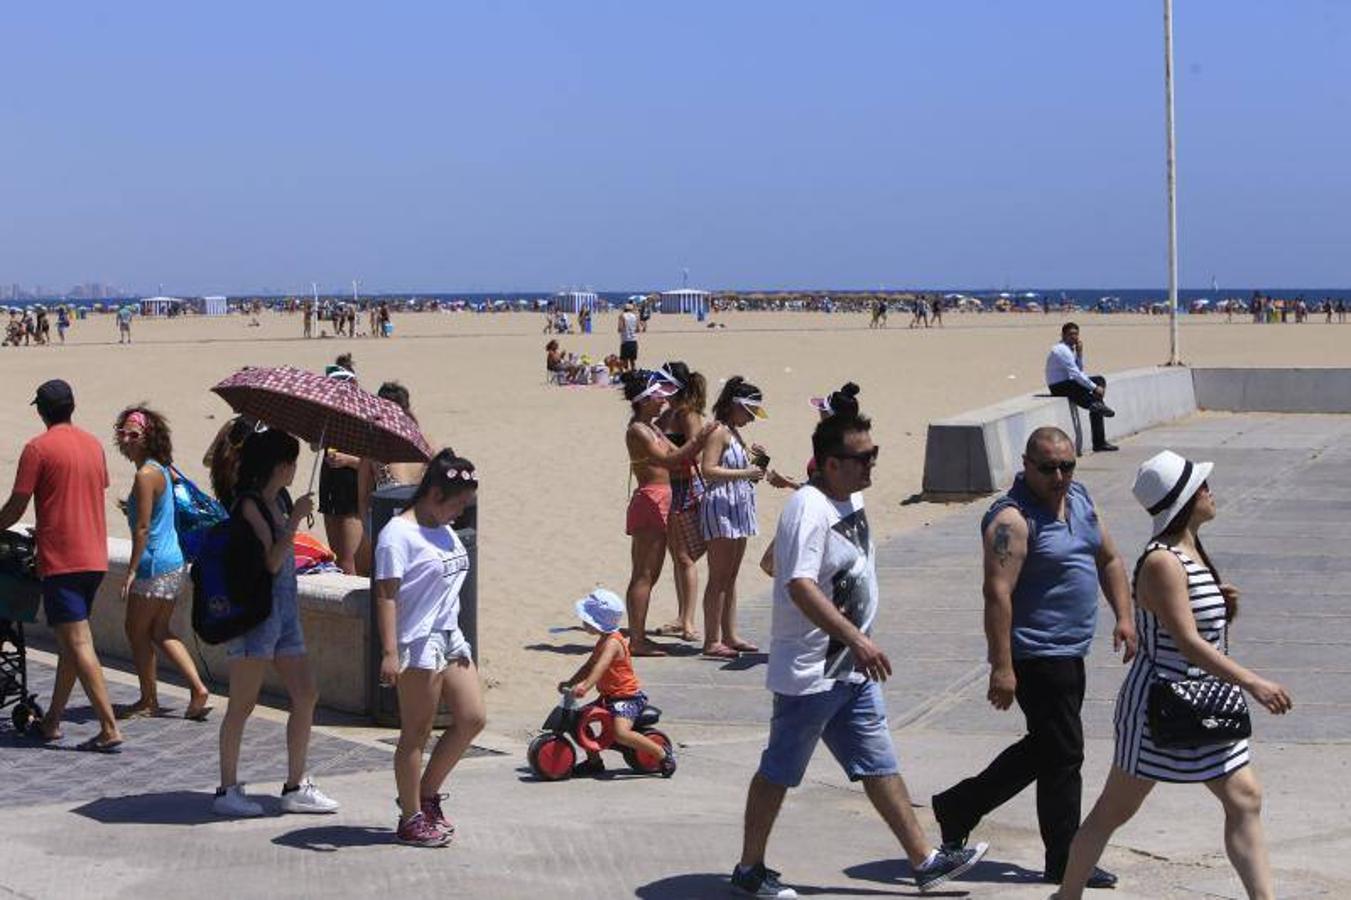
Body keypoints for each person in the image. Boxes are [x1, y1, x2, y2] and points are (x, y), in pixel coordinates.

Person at [731, 413, 988, 898]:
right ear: (830, 464)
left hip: (850, 669)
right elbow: (799, 584)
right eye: (862, 457)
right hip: (812, 672)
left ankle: (924, 862)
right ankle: (749, 870)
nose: (872, 463)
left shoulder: (850, 495)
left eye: (874, 454)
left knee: (878, 762)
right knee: (779, 771)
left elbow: (798, 566)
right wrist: (856, 638)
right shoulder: (808, 509)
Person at [1057, 451, 1293, 899]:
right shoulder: (1164, 560)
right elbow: (1187, 643)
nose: (1210, 491)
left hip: (1204, 702)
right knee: (1114, 810)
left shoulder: (1188, 552)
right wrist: (1254, 682)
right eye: (1203, 486)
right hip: (1160, 707)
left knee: (1245, 797)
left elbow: (1192, 627)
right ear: (1185, 499)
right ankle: (1067, 895)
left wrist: (1224, 608)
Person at [931, 426, 1135, 890]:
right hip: (1037, 652)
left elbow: (1109, 558)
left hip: (1072, 650)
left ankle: (959, 806)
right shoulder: (1012, 520)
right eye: (1048, 468)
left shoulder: (1080, 499)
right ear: (1026, 466)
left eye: (1067, 465)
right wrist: (1001, 666)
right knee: (1065, 752)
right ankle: (1064, 859)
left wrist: (1124, 615)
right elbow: (997, 593)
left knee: (1049, 748)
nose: (1059, 476)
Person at [214, 429, 340, 817]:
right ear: (279, 466)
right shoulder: (249, 505)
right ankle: (227, 789)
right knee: (242, 704)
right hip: (257, 617)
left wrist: (291, 517)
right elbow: (270, 560)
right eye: (292, 463)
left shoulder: (277, 501)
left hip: (284, 615)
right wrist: (295, 521)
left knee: (306, 694)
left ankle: (295, 784)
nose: (294, 469)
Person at [0, 380, 124, 752]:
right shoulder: (93, 445)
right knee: (70, 644)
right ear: (73, 406)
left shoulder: (37, 448)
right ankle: (52, 720)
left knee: (79, 642)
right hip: (94, 557)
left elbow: (18, 504)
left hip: (62, 559)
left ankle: (109, 727)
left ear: (41, 411)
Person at [374, 451, 485, 847]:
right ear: (435, 493)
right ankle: (410, 819)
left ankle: (425, 794)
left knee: (471, 718)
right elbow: (386, 595)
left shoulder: (442, 526)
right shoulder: (396, 535)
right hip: (417, 642)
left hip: (449, 636)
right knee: (416, 733)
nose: (460, 512)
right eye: (457, 503)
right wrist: (390, 652)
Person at [113, 406, 212, 721]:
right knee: (159, 630)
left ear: (148, 438)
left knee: (136, 630)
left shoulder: (145, 474)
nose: (126, 440)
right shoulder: (162, 468)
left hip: (154, 564)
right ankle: (197, 689)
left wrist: (130, 572)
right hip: (174, 562)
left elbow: (142, 527)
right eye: (122, 433)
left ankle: (148, 700)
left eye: (133, 435)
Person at [622, 370, 714, 656]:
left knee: (655, 572)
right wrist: (700, 440)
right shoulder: (638, 429)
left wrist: (698, 443)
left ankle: (641, 636)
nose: (663, 400)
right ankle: (637, 639)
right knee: (644, 574)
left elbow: (680, 456)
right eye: (657, 396)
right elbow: (668, 458)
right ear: (645, 399)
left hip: (665, 498)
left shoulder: (654, 427)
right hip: (651, 499)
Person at [558, 589, 676, 777]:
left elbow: (601, 667)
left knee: (621, 733)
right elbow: (589, 665)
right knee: (578, 719)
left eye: (586, 619)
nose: (583, 622)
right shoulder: (603, 640)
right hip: (608, 697)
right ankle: (594, 761)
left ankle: (662, 754)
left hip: (627, 698)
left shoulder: (613, 642)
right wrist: (571, 682)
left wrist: (585, 687)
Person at [699, 377, 767, 660]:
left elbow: (746, 474)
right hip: (722, 507)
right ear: (735, 406)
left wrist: (759, 463)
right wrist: (745, 473)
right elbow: (708, 470)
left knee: (731, 576)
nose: (751, 419)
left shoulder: (734, 433)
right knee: (718, 577)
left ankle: (729, 634)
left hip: (737, 506)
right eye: (749, 412)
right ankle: (712, 639)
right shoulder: (719, 432)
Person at [653, 362, 708, 642]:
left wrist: (663, 441)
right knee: (676, 556)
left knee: (685, 557)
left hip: (684, 487)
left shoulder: (688, 415)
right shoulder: (667, 413)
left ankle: (688, 621)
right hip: (666, 486)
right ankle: (680, 615)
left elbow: (697, 455)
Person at [357, 381, 428, 575]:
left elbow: (362, 496)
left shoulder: (374, 447)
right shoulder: (422, 442)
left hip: (386, 525)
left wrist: (367, 529)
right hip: (417, 524)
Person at [317, 356, 363, 574]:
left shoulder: (362, 414)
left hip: (351, 487)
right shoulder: (328, 413)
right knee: (337, 559)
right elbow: (314, 446)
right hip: (330, 484)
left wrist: (348, 460)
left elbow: (376, 463)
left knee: (349, 561)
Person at [1046, 322, 1118, 453]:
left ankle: (1095, 408)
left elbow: (1079, 370)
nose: (1074, 337)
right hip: (1058, 386)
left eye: (1076, 334)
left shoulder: (1070, 349)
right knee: (1092, 389)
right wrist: (1095, 388)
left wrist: (1079, 354)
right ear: (1063, 335)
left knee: (1099, 380)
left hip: (1070, 383)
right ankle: (1094, 409)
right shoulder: (1061, 350)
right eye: (1071, 334)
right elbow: (1076, 374)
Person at [617, 303, 639, 373]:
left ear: (624, 309)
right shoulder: (635, 316)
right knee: (632, 361)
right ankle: (633, 374)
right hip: (634, 340)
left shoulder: (622, 316)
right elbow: (638, 329)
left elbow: (620, 328)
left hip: (625, 340)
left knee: (624, 360)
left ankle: (626, 374)